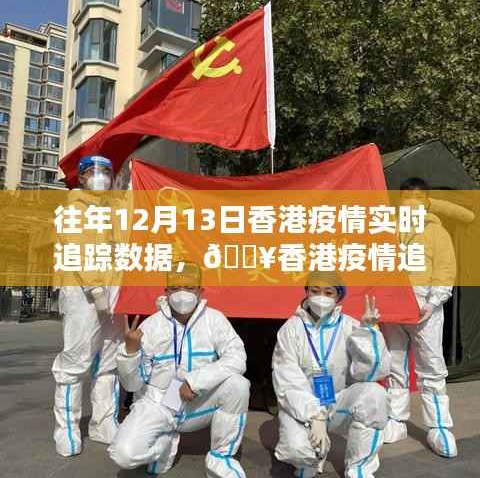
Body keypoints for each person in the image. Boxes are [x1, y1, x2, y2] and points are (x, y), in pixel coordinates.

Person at [108, 263, 250, 477]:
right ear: (166, 291)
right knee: (123, 455)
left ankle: (221, 458)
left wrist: (196, 381)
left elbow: (237, 357)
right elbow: (132, 385)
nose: (182, 294)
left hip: (198, 402)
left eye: (189, 288)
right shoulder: (151, 326)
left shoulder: (214, 319)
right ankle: (162, 445)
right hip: (158, 404)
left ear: (200, 291)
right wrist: (130, 352)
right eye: (175, 288)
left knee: (238, 385)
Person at [273, 271, 391, 478]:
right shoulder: (290, 330)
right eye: (315, 291)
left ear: (338, 297)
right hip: (302, 407)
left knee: (375, 395)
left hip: (337, 404)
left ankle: (359, 468)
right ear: (307, 292)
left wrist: (368, 332)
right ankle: (312, 457)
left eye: (328, 293)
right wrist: (314, 414)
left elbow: (371, 373)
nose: (321, 297)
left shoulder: (350, 325)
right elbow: (287, 381)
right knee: (296, 451)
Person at [52, 156, 122, 456]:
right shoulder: (74, 206)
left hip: (113, 293)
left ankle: (103, 423)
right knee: (75, 361)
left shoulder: (111, 208)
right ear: (80, 178)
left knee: (108, 362)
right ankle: (66, 429)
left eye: (106, 172)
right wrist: (95, 287)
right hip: (82, 293)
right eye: (93, 172)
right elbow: (78, 247)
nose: (100, 177)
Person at [382, 177, 457, 457]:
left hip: (426, 310)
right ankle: (396, 419)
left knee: (431, 366)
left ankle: (438, 426)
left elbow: (445, 270)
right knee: (394, 363)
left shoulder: (437, 232)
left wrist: (433, 302)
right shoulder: (389, 229)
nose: (411, 203)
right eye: (406, 198)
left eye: (417, 198)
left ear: (426, 202)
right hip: (394, 309)